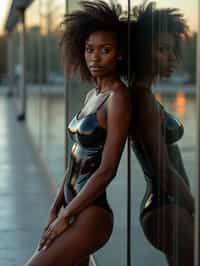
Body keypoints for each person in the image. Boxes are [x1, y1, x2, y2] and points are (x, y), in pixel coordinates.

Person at [25, 1, 130, 266]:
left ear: (119, 53)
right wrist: (54, 208)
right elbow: (75, 160)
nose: (95, 58)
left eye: (105, 50)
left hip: (91, 215)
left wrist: (65, 217)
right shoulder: (92, 95)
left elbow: (107, 170)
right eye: (89, 50)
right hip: (72, 208)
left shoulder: (119, 98)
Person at [129, 2, 194, 265]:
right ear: (143, 51)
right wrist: (194, 207)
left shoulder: (143, 96)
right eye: (161, 49)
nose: (170, 57)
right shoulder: (142, 100)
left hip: (167, 207)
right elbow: (164, 171)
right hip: (166, 208)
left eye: (171, 50)